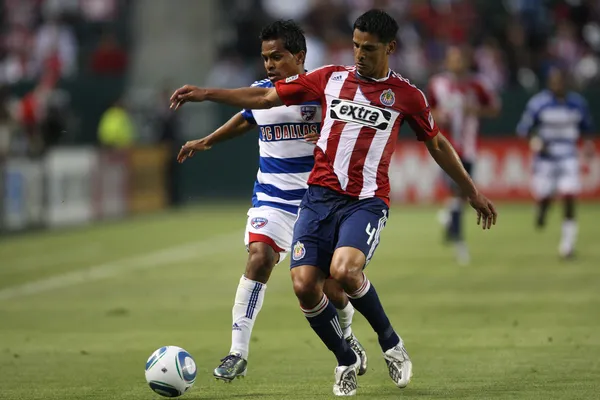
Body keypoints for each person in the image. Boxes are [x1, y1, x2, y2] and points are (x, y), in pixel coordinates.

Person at [170, 9, 497, 396]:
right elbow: (260, 101)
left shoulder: (406, 96)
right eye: (356, 45)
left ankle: (391, 344)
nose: (359, 54)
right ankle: (340, 358)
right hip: (315, 197)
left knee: (341, 277)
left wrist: (470, 190)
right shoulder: (331, 79)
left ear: (390, 48)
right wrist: (206, 99)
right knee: (304, 285)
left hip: (363, 200)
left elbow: (437, 143)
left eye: (368, 48)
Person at [176, 20, 367, 382]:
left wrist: (326, 133)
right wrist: (208, 141)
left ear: (299, 56)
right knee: (260, 257)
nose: (269, 65)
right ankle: (237, 352)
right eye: (265, 58)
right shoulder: (261, 90)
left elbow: (352, 134)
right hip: (272, 200)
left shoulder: (325, 92)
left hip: (318, 204)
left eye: (277, 57)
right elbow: (248, 118)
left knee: (331, 289)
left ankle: (347, 336)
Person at [428, 45, 500, 265]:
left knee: (460, 196)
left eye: (460, 58)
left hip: (469, 147)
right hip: (445, 148)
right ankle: (460, 243)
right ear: (447, 62)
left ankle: (450, 219)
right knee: (457, 191)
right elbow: (426, 110)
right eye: (453, 58)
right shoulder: (437, 84)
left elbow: (494, 108)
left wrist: (475, 111)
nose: (457, 62)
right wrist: (439, 115)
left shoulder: (478, 84)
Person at [516, 67, 594, 259]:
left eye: (561, 81)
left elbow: (587, 128)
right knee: (545, 195)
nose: (558, 85)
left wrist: (588, 145)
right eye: (555, 81)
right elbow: (524, 129)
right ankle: (542, 209)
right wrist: (537, 143)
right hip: (546, 160)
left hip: (568, 156)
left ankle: (567, 246)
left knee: (569, 196)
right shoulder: (539, 104)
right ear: (550, 83)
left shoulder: (577, 103)